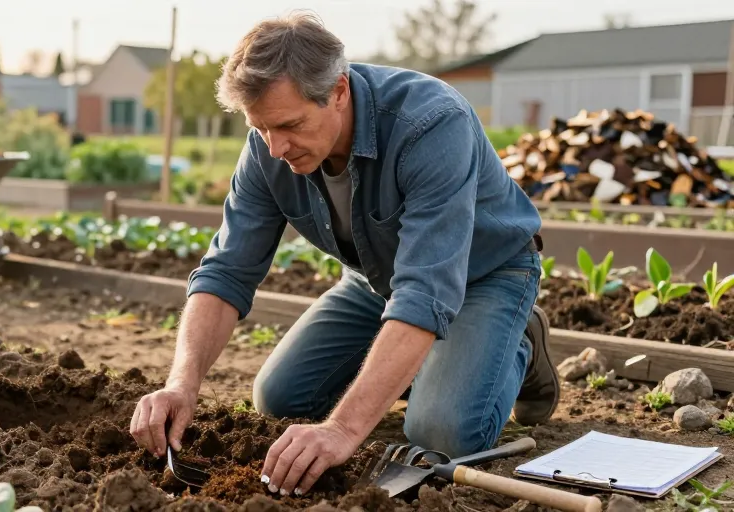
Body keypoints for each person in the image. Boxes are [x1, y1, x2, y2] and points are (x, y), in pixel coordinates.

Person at [129, 11, 558, 497]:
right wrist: (181, 384)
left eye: (289, 125)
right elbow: (226, 271)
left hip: (483, 275)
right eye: (261, 128)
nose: (275, 149)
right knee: (280, 398)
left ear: (338, 91)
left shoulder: (432, 124)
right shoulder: (268, 146)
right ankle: (429, 358)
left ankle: (517, 341)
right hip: (376, 279)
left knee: (440, 433)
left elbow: (425, 290)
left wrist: (344, 430)